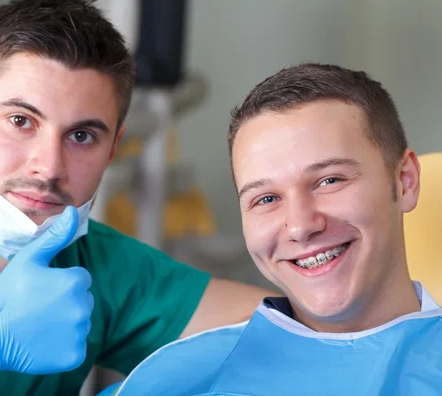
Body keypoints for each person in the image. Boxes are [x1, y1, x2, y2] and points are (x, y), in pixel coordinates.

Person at [0, 0, 272, 395]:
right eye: (20, 120)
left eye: (82, 136)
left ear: (113, 148)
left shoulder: (102, 267)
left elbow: (292, 330)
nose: (48, 167)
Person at [99, 63, 442, 396]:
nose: (300, 225)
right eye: (266, 199)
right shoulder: (173, 378)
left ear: (405, 180)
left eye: (329, 180)